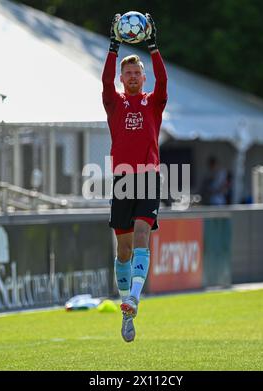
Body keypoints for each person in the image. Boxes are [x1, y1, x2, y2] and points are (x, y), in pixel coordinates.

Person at [102, 13, 167, 342]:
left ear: (143, 77)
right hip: (122, 179)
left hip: (148, 176)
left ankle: (133, 300)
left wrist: (153, 48)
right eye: (127, 72)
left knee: (143, 233)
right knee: (123, 250)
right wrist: (113, 46)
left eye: (136, 72)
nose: (131, 76)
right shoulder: (114, 102)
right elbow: (104, 83)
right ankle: (126, 309)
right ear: (122, 77)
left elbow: (164, 82)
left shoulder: (153, 102)